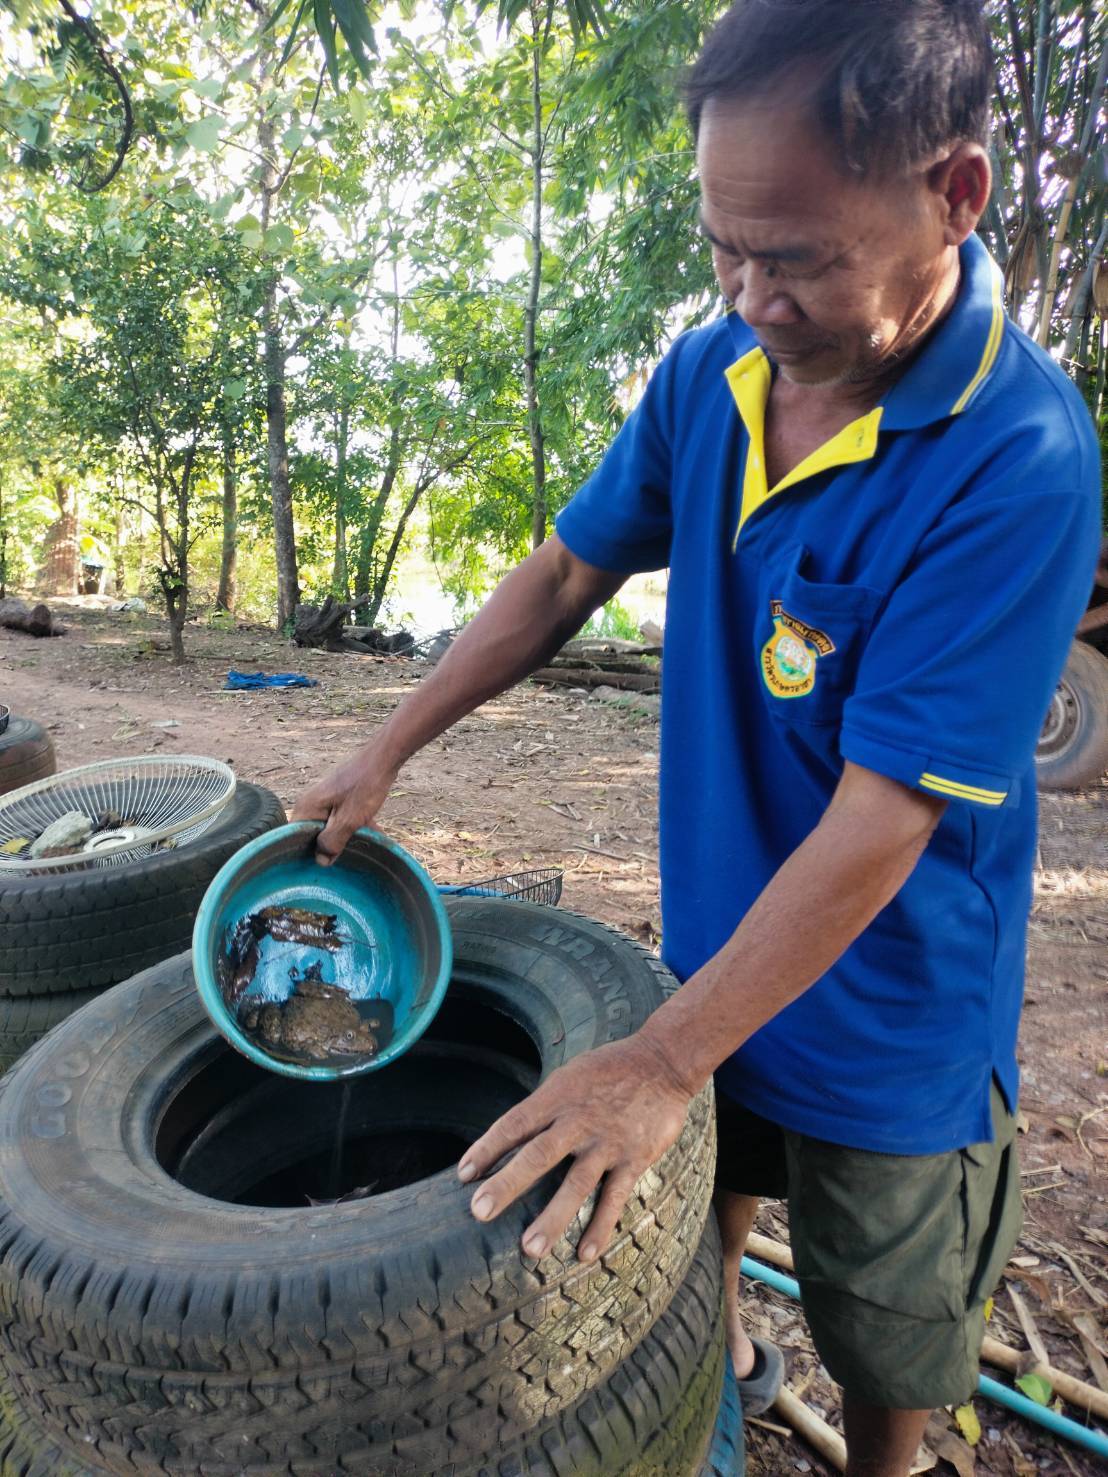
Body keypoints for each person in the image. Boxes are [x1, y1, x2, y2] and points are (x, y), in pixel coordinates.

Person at [293, 2, 1100, 1471]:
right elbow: (558, 577)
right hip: (713, 959)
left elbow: (884, 817)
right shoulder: (708, 375)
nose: (750, 297)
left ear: (956, 193)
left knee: (890, 1349)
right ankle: (706, 1389)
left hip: (894, 1021)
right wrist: (385, 745)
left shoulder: (1018, 458)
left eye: (795, 258)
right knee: (687, 1247)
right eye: (724, 248)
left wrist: (658, 1062)